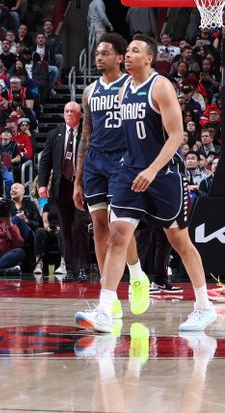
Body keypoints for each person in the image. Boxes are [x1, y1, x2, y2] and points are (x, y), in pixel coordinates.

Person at [75, 35, 216, 333]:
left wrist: (152, 170)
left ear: (149, 58)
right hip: (130, 172)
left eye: (134, 51)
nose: (127, 55)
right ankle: (106, 308)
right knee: (117, 235)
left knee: (180, 241)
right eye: (126, 51)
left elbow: (177, 136)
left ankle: (204, 306)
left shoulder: (160, 86)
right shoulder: (124, 87)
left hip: (163, 175)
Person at [73, 33, 148, 318]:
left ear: (120, 57)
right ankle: (110, 295)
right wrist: (78, 179)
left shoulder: (132, 86)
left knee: (119, 228)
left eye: (105, 53)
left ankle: (136, 274)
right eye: (97, 53)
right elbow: (86, 134)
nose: (99, 57)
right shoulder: (90, 91)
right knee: (99, 226)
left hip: (123, 161)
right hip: (94, 162)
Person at [38, 102, 91, 282]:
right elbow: (45, 161)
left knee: (80, 227)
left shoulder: (87, 133)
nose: (69, 114)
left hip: (82, 187)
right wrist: (43, 184)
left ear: (80, 114)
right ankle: (69, 269)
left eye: (73, 111)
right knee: (65, 230)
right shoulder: (54, 134)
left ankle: (83, 268)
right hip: (61, 188)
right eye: (66, 111)